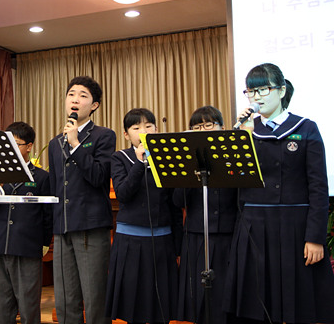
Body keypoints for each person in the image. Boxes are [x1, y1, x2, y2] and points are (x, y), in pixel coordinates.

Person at [223, 63, 334, 324]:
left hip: (294, 227)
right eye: (251, 91)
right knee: (254, 303)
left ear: (281, 91)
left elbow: (318, 187)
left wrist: (315, 237)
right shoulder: (246, 131)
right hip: (254, 226)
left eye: (263, 89)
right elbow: (234, 180)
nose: (256, 97)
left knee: (298, 303)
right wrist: (242, 135)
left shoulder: (306, 128)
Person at [48, 76, 116, 324]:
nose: (75, 99)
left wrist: (76, 143)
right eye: (71, 94)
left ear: (94, 105)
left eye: (83, 95)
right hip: (62, 228)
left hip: (90, 227)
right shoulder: (55, 143)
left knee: (94, 297)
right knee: (65, 300)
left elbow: (99, 177)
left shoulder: (103, 136)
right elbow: (56, 187)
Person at [106, 108, 182, 324]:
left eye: (148, 126)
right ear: (126, 134)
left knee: (162, 306)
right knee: (133, 304)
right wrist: (139, 163)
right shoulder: (120, 158)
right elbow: (123, 194)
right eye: (136, 127)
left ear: (156, 130)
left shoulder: (167, 158)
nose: (143, 131)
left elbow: (175, 206)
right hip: (130, 241)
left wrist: (178, 246)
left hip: (162, 240)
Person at [173, 106, 237, 324]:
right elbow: (177, 201)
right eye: (197, 127)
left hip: (228, 235)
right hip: (196, 235)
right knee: (198, 298)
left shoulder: (233, 156)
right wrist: (189, 171)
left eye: (209, 125)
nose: (203, 130)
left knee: (225, 295)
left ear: (222, 128)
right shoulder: (188, 160)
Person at [0, 121, 52, 324]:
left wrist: (44, 243)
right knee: (2, 307)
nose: (10, 148)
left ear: (29, 146)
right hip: (0, 246)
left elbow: (48, 215)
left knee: (28, 306)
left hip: (27, 248)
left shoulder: (41, 177)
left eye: (16, 144)